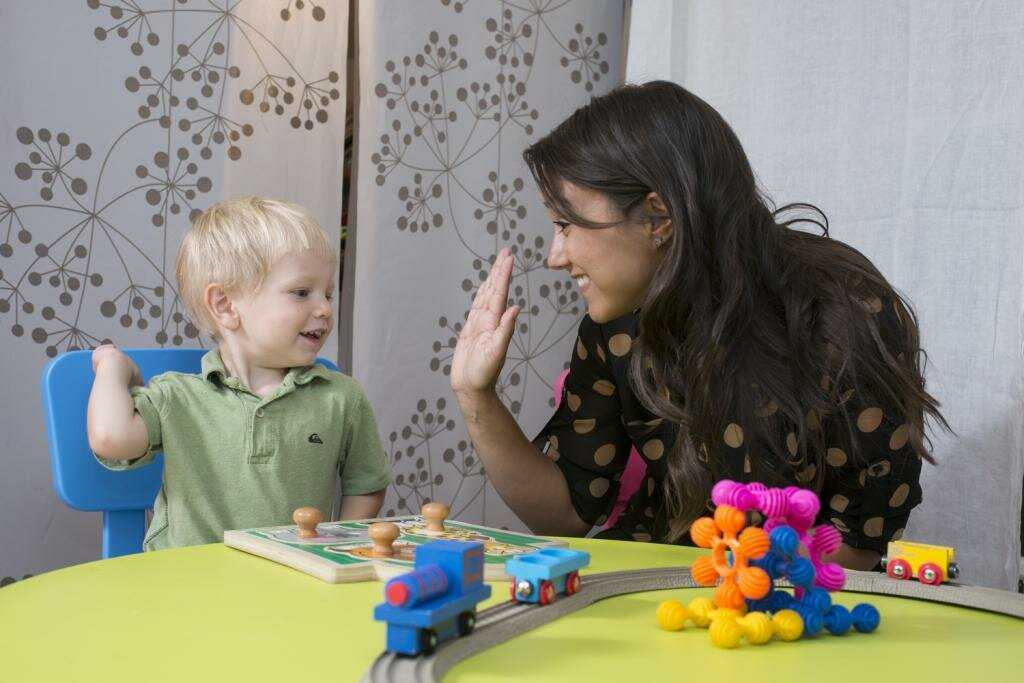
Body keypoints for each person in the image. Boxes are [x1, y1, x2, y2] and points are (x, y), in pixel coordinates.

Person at [450, 81, 948, 570]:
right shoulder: (618, 324)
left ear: (658, 216)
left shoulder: (844, 312)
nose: (555, 257)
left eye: (565, 225)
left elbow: (858, 546)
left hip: (783, 605)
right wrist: (476, 396)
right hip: (654, 586)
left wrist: (717, 587)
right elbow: (567, 515)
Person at [87, 197, 390, 550]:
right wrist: (112, 366)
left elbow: (366, 483)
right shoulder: (179, 397)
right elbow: (111, 438)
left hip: (291, 589)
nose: (324, 308)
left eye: (327, 294)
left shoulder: (341, 397)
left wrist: (337, 551)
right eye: (301, 292)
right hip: (189, 589)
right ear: (225, 305)